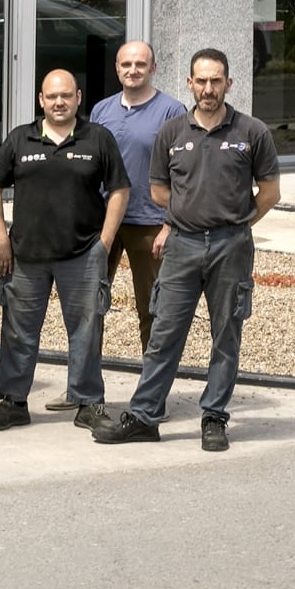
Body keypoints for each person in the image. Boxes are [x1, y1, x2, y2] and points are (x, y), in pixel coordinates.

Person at [95, 50, 282, 454]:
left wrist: (238, 223)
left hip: (231, 247)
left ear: (229, 83)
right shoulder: (172, 132)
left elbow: (270, 193)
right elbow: (159, 191)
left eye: (216, 81)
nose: (208, 89)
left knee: (226, 334)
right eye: (201, 81)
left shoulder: (252, 132)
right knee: (164, 332)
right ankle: (145, 417)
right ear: (189, 83)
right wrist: (189, 213)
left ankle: (214, 417)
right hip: (182, 245)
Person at [0, 69, 126, 431]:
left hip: (83, 253)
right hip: (26, 256)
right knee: (18, 332)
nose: (59, 102)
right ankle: (14, 402)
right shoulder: (20, 138)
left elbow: (119, 190)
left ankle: (88, 402)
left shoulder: (98, 138)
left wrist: (105, 242)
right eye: (52, 96)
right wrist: (1, 238)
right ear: (41, 100)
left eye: (66, 96)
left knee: (86, 331)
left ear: (78, 98)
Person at [88, 40, 186, 362]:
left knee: (152, 308)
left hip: (150, 223)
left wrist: (170, 224)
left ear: (153, 68)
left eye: (140, 64)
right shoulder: (101, 111)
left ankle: (153, 383)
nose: (133, 70)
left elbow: (182, 173)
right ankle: (86, 380)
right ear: (117, 69)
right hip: (103, 221)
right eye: (126, 64)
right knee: (89, 304)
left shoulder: (172, 112)